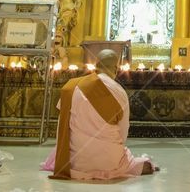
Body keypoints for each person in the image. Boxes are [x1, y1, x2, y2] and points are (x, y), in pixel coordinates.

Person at [42, 49, 156, 180]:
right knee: (139, 164)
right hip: (109, 161)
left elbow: (61, 127)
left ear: (96, 66)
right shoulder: (119, 91)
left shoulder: (72, 87)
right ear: (115, 68)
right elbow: (123, 132)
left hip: (74, 162)